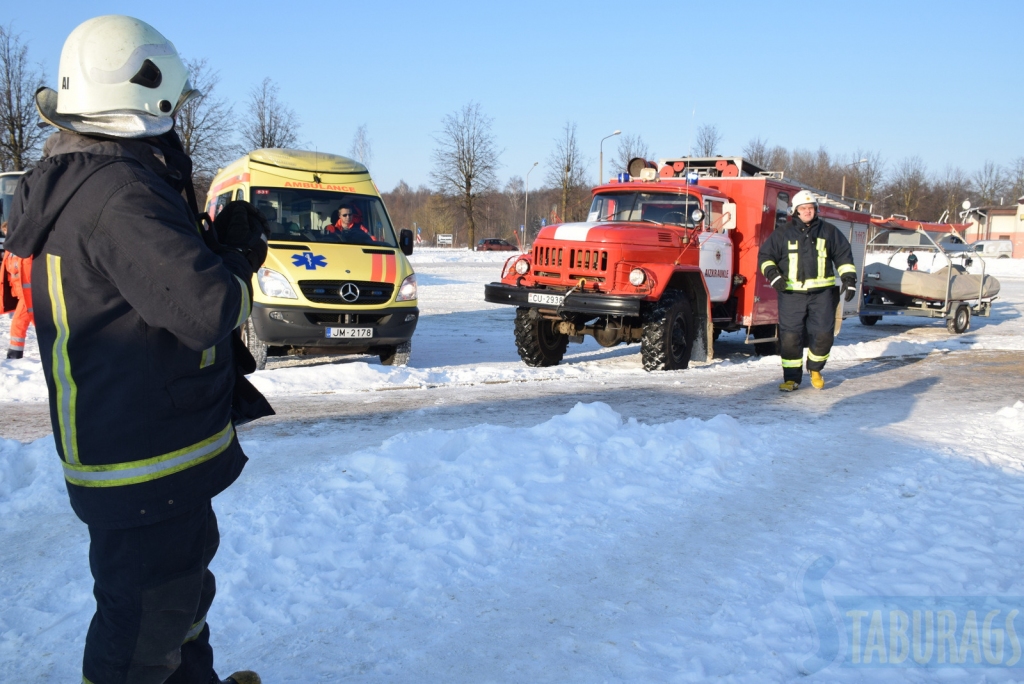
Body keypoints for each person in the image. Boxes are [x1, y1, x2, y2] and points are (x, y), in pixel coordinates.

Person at [3, 16, 270, 684]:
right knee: (143, 628)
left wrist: (209, 246)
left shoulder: (97, 181)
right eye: (173, 101)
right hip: (145, 458)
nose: (179, 113)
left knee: (178, 604)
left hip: (142, 446)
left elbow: (148, 288)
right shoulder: (119, 194)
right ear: (142, 95)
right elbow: (205, 307)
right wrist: (239, 260)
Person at [758, 189, 857, 391]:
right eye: (803, 208)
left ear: (816, 210)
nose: (807, 211)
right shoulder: (782, 234)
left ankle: (815, 369)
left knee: (823, 335)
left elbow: (844, 256)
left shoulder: (829, 232)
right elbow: (765, 257)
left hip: (822, 295)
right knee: (790, 337)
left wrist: (849, 279)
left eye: (810, 208)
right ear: (795, 211)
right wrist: (774, 276)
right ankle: (791, 379)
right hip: (791, 294)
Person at [0, 239, 33, 359]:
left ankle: (15, 353)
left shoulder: (26, 246)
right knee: (37, 323)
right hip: (20, 292)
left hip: (29, 293)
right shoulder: (9, 250)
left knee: (19, 321)